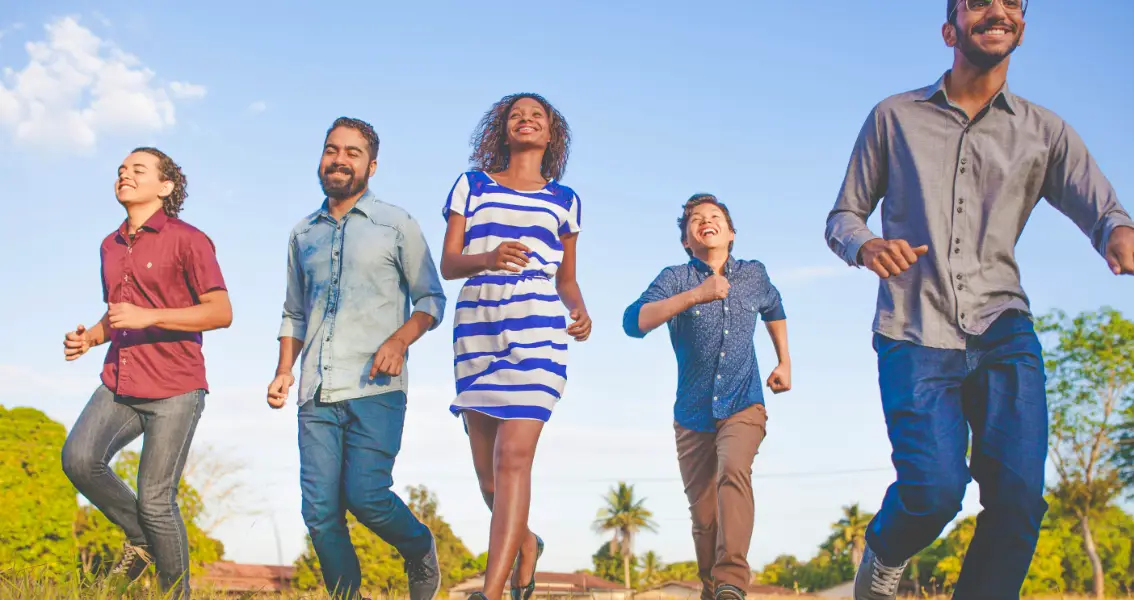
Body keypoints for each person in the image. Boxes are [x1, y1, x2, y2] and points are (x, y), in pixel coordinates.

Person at [825, 1, 1134, 598]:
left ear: (1021, 26)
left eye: (1011, 2)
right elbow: (843, 215)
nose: (997, 9)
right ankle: (885, 550)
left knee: (1019, 500)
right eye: (978, 1)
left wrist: (1117, 233)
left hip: (1002, 327)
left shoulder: (1046, 131)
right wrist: (865, 246)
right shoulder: (894, 117)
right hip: (914, 328)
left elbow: (1105, 210)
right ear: (950, 29)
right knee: (935, 490)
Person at [266, 117, 447, 600]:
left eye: (352, 152)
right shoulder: (302, 233)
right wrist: (285, 370)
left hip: (376, 389)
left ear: (372, 164)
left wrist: (399, 341)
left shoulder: (396, 223)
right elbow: (294, 312)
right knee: (320, 511)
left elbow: (431, 299)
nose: (339, 160)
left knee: (366, 495)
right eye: (332, 149)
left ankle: (419, 545)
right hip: (316, 391)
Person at [60, 147, 233, 599]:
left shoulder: (190, 239)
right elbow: (118, 313)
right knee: (78, 459)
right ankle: (141, 540)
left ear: (165, 186)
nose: (125, 175)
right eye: (121, 170)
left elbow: (220, 312)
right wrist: (91, 338)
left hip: (176, 387)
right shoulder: (109, 245)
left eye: (138, 170)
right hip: (120, 379)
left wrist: (149, 317)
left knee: (157, 499)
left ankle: (175, 593)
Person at [439, 93, 591, 600]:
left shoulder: (565, 199)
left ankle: (491, 591)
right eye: (515, 115)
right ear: (503, 130)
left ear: (551, 135)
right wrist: (488, 256)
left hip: (537, 328)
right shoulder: (472, 184)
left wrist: (579, 310)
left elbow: (566, 279)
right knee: (489, 481)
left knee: (513, 461)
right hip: (478, 326)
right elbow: (449, 264)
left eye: (537, 116)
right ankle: (526, 543)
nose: (526, 120)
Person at [622, 194, 791, 600]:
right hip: (692, 414)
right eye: (696, 219)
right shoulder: (676, 278)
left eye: (715, 217)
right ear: (686, 240)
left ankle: (732, 580)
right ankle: (711, 587)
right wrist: (697, 295)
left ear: (730, 233)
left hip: (744, 402)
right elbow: (633, 322)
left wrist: (784, 362)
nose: (706, 222)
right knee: (703, 516)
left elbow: (775, 307)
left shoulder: (753, 274)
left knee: (734, 469)